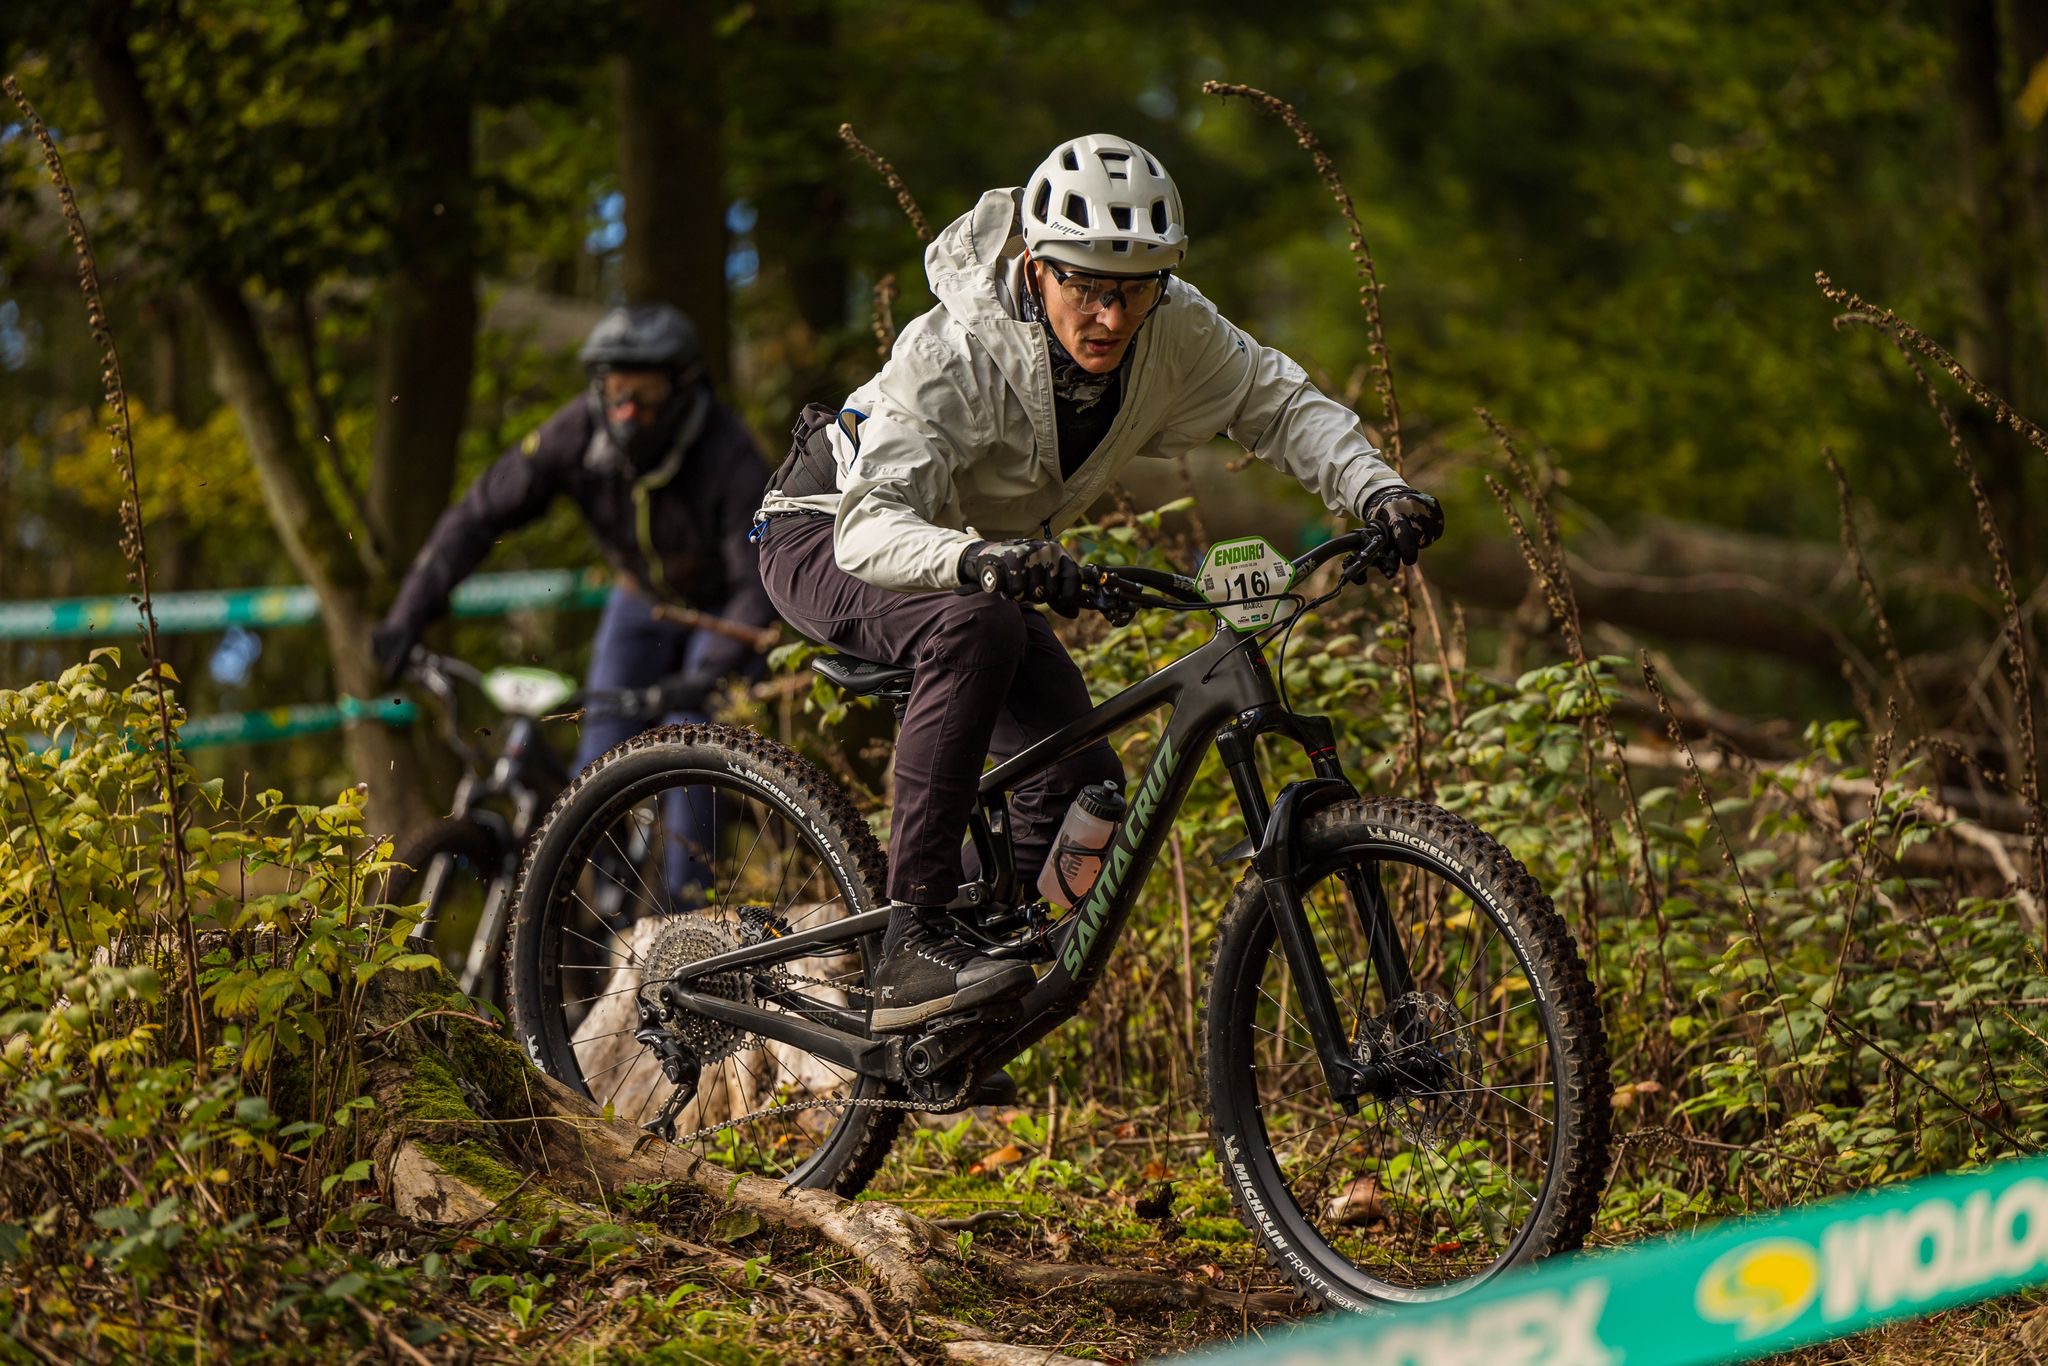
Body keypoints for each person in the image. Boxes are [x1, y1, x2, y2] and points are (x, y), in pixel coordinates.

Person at [753, 134, 1443, 1033]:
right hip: (828, 532)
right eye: (1084, 285)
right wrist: (982, 562)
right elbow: (871, 525)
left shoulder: (1176, 326)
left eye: (1134, 289)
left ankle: (961, 1017)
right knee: (978, 632)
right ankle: (911, 939)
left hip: (983, 562)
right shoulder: (952, 353)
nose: (1111, 318)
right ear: (1035, 268)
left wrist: (1376, 488)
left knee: (1082, 787)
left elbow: (1281, 405)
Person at [373, 302, 774, 898]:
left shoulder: (729, 453)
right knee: (597, 760)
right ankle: (600, 911)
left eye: (645, 395)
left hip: (722, 609)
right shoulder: (575, 431)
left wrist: (709, 676)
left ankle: (693, 927)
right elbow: (478, 514)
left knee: (690, 742)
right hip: (640, 602)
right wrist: (409, 613)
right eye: (616, 393)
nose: (628, 412)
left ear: (684, 388)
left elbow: (759, 579)